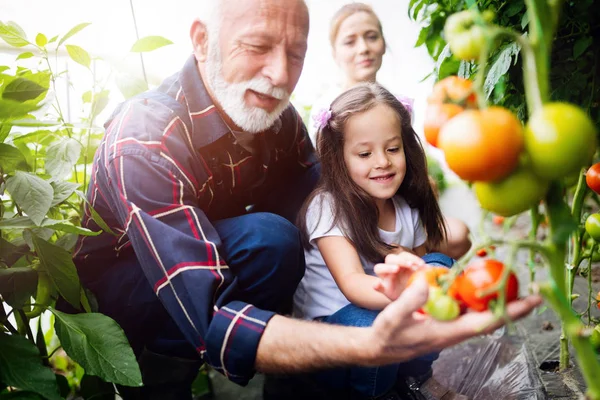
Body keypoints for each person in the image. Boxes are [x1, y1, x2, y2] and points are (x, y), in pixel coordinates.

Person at [63, 0, 541, 399]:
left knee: (276, 237)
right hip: (134, 282)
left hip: (220, 249)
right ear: (203, 41)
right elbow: (206, 308)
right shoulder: (146, 139)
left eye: (296, 53)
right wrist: (364, 343)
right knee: (269, 241)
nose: (279, 73)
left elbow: (336, 198)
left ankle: (295, 358)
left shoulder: (276, 117)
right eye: (257, 46)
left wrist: (414, 245)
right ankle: (164, 374)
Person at [294, 82, 453, 398]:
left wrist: (428, 284)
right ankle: (374, 394)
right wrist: (410, 296)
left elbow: (421, 263)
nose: (382, 161)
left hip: (391, 319)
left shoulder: (405, 209)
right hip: (335, 339)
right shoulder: (328, 207)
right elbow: (352, 282)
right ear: (339, 157)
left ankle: (415, 377)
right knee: (374, 321)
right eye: (365, 153)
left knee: (442, 267)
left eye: (393, 149)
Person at [308, 2, 471, 260]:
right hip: (354, 219)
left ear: (384, 43)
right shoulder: (326, 111)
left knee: (460, 235)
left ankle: (413, 257)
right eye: (350, 41)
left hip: (396, 213)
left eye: (371, 36)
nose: (364, 48)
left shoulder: (398, 105)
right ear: (335, 52)